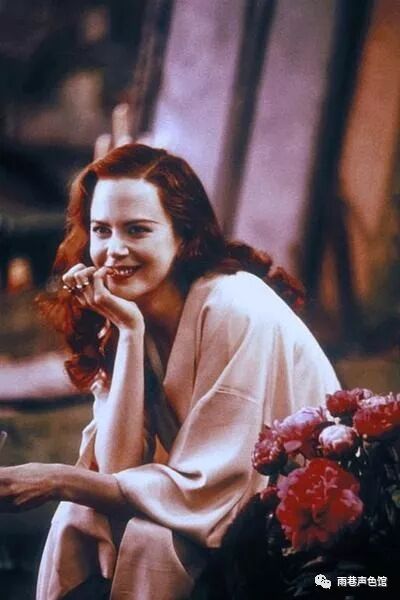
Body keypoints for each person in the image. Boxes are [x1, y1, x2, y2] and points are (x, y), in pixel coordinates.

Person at [0, 141, 340, 599]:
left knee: (152, 539)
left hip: (296, 520)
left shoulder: (233, 306)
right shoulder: (127, 311)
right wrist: (128, 332)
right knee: (77, 515)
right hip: (210, 506)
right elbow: (118, 467)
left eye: (137, 230)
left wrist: (59, 478)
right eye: (101, 230)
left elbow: (214, 491)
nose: (113, 250)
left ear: (183, 236)